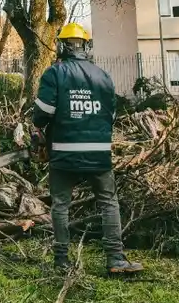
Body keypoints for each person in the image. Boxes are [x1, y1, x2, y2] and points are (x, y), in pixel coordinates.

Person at [32, 22, 141, 277]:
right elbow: (111, 115)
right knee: (108, 202)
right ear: (85, 45)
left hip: (64, 151)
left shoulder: (54, 73)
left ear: (61, 45)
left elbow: (43, 114)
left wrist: (39, 131)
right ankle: (116, 257)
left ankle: (61, 260)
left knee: (60, 204)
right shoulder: (103, 76)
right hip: (98, 153)